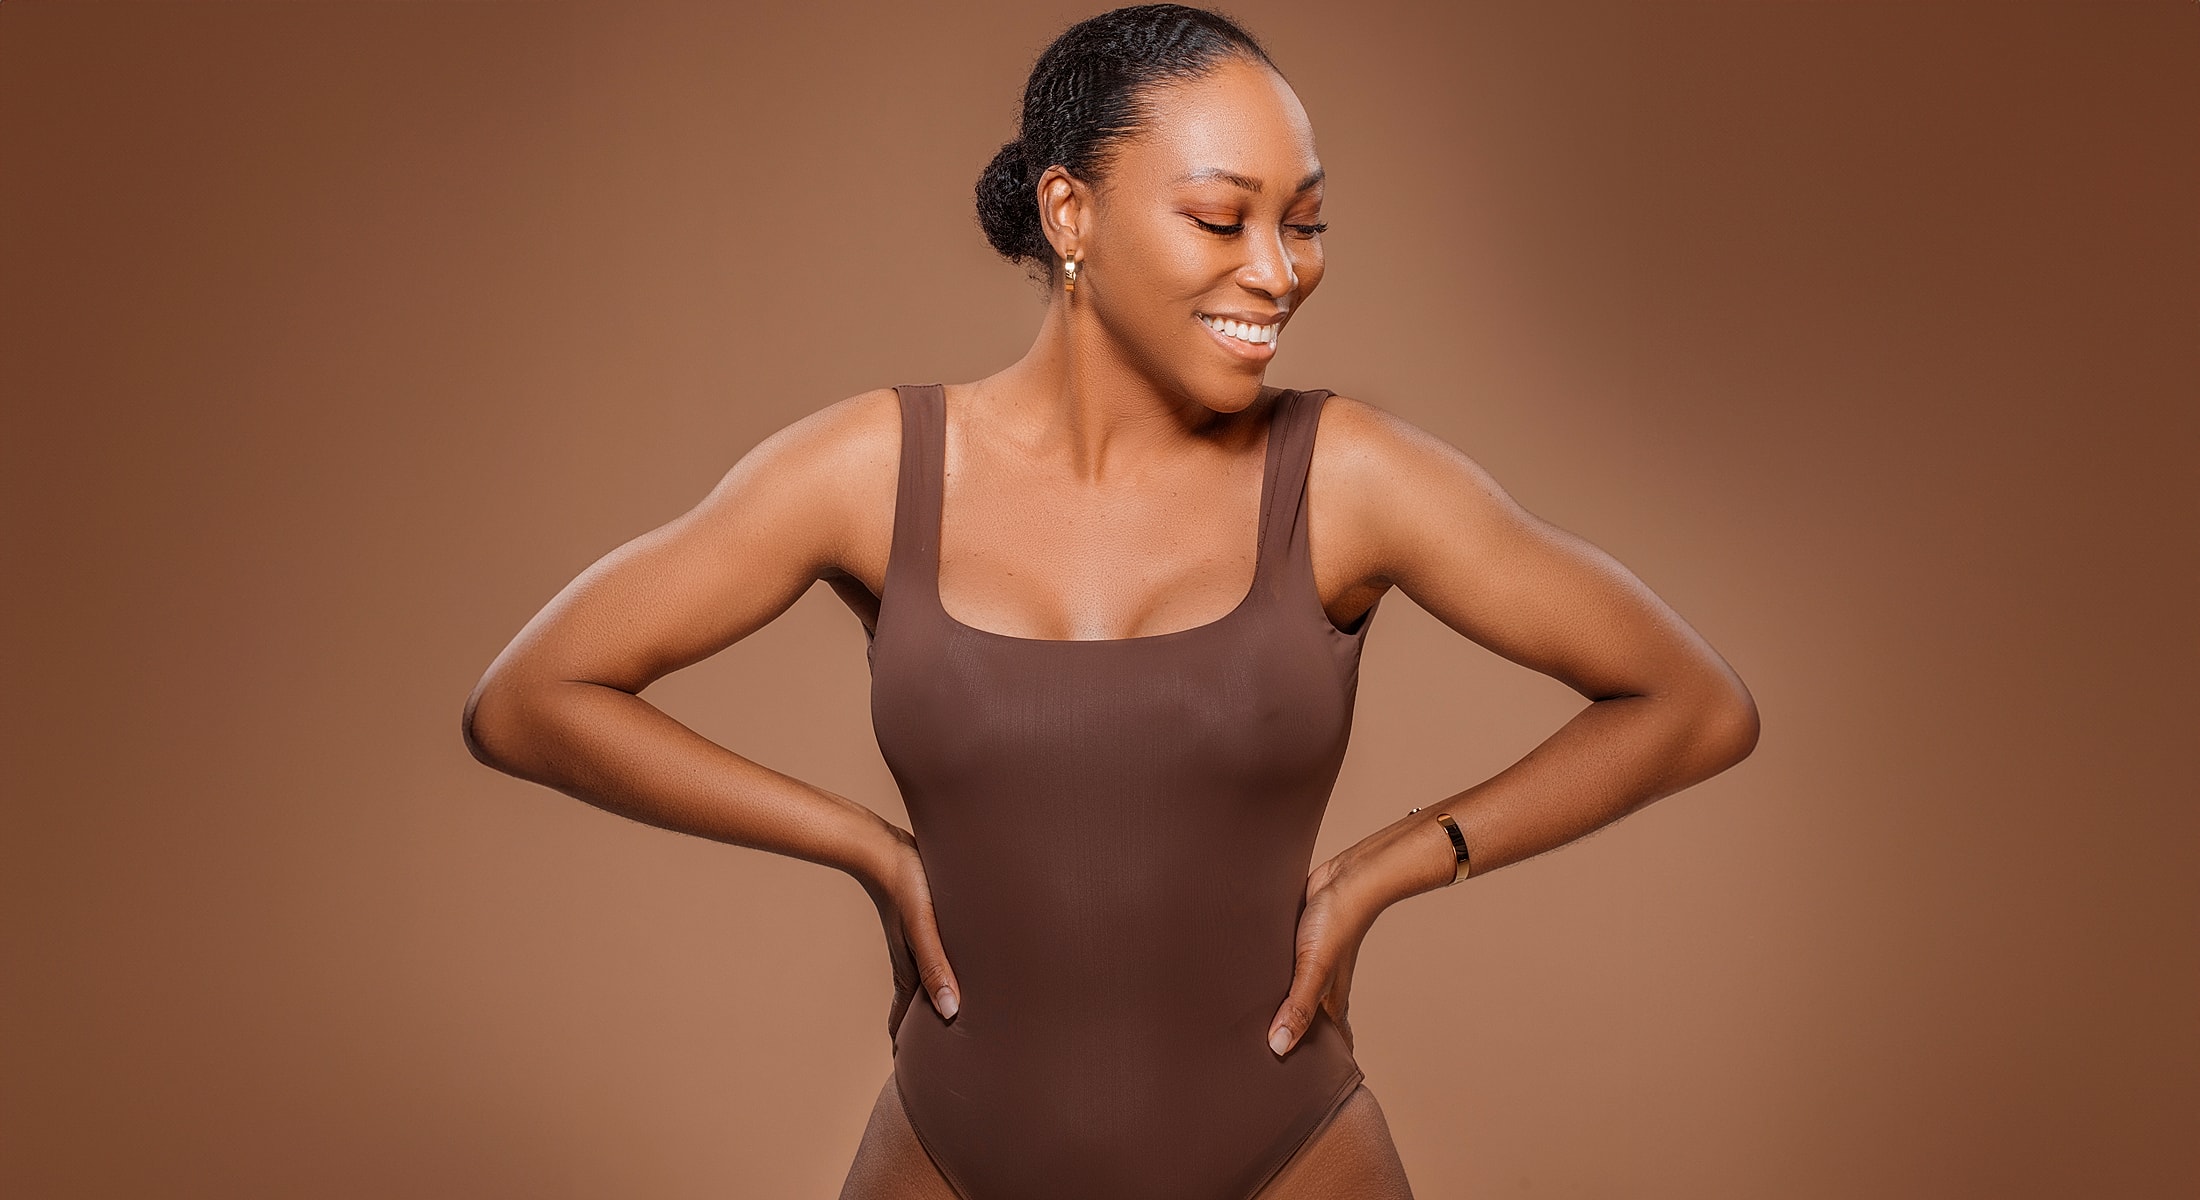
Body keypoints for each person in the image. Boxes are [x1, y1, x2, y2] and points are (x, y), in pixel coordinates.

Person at [461, 5, 1760, 1197]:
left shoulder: (1347, 477)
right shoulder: (877, 469)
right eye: (1221, 219)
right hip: (949, 1154)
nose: (1280, 272)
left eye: (1303, 222)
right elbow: (532, 699)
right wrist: (862, 845)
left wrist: (1402, 861)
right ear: (1070, 214)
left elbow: (1691, 704)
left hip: (1289, 1157)